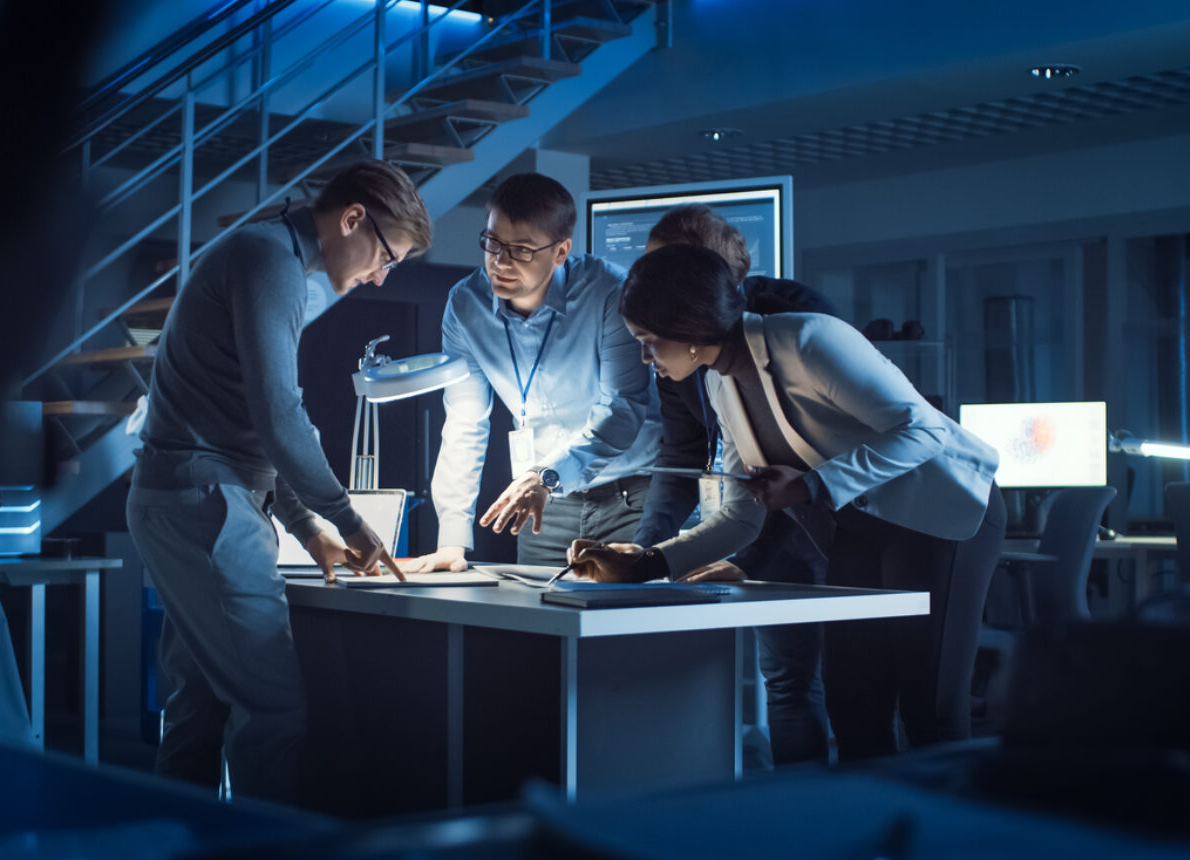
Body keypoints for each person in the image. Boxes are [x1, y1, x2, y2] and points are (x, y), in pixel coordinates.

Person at [572, 244, 1005, 760]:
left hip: (943, 513)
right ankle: (869, 834)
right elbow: (741, 514)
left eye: (650, 341)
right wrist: (647, 563)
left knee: (928, 708)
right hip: (863, 527)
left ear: (688, 330)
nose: (646, 358)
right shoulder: (719, 382)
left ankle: (956, 837)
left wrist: (812, 486)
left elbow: (925, 429)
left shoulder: (808, 339)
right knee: (855, 708)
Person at [126, 159, 430, 805]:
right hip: (205, 503)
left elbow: (255, 420)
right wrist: (345, 519)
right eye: (386, 256)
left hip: (188, 499)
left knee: (198, 711)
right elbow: (278, 413)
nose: (381, 275)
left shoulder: (267, 252)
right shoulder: (271, 263)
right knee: (274, 715)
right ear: (352, 219)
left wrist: (306, 528)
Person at [629, 204, 839, 767]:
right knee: (786, 680)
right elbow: (682, 453)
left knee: (811, 682)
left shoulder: (794, 320)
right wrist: (646, 551)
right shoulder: (669, 342)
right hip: (744, 513)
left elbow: (818, 458)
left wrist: (748, 557)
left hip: (818, 519)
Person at [407, 173, 660, 571]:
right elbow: (464, 421)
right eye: (492, 242)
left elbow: (622, 407)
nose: (501, 262)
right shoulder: (465, 304)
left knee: (630, 626)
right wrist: (452, 540)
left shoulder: (610, 292)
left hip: (631, 497)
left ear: (561, 252)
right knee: (542, 623)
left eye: (522, 250)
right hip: (544, 502)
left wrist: (548, 476)